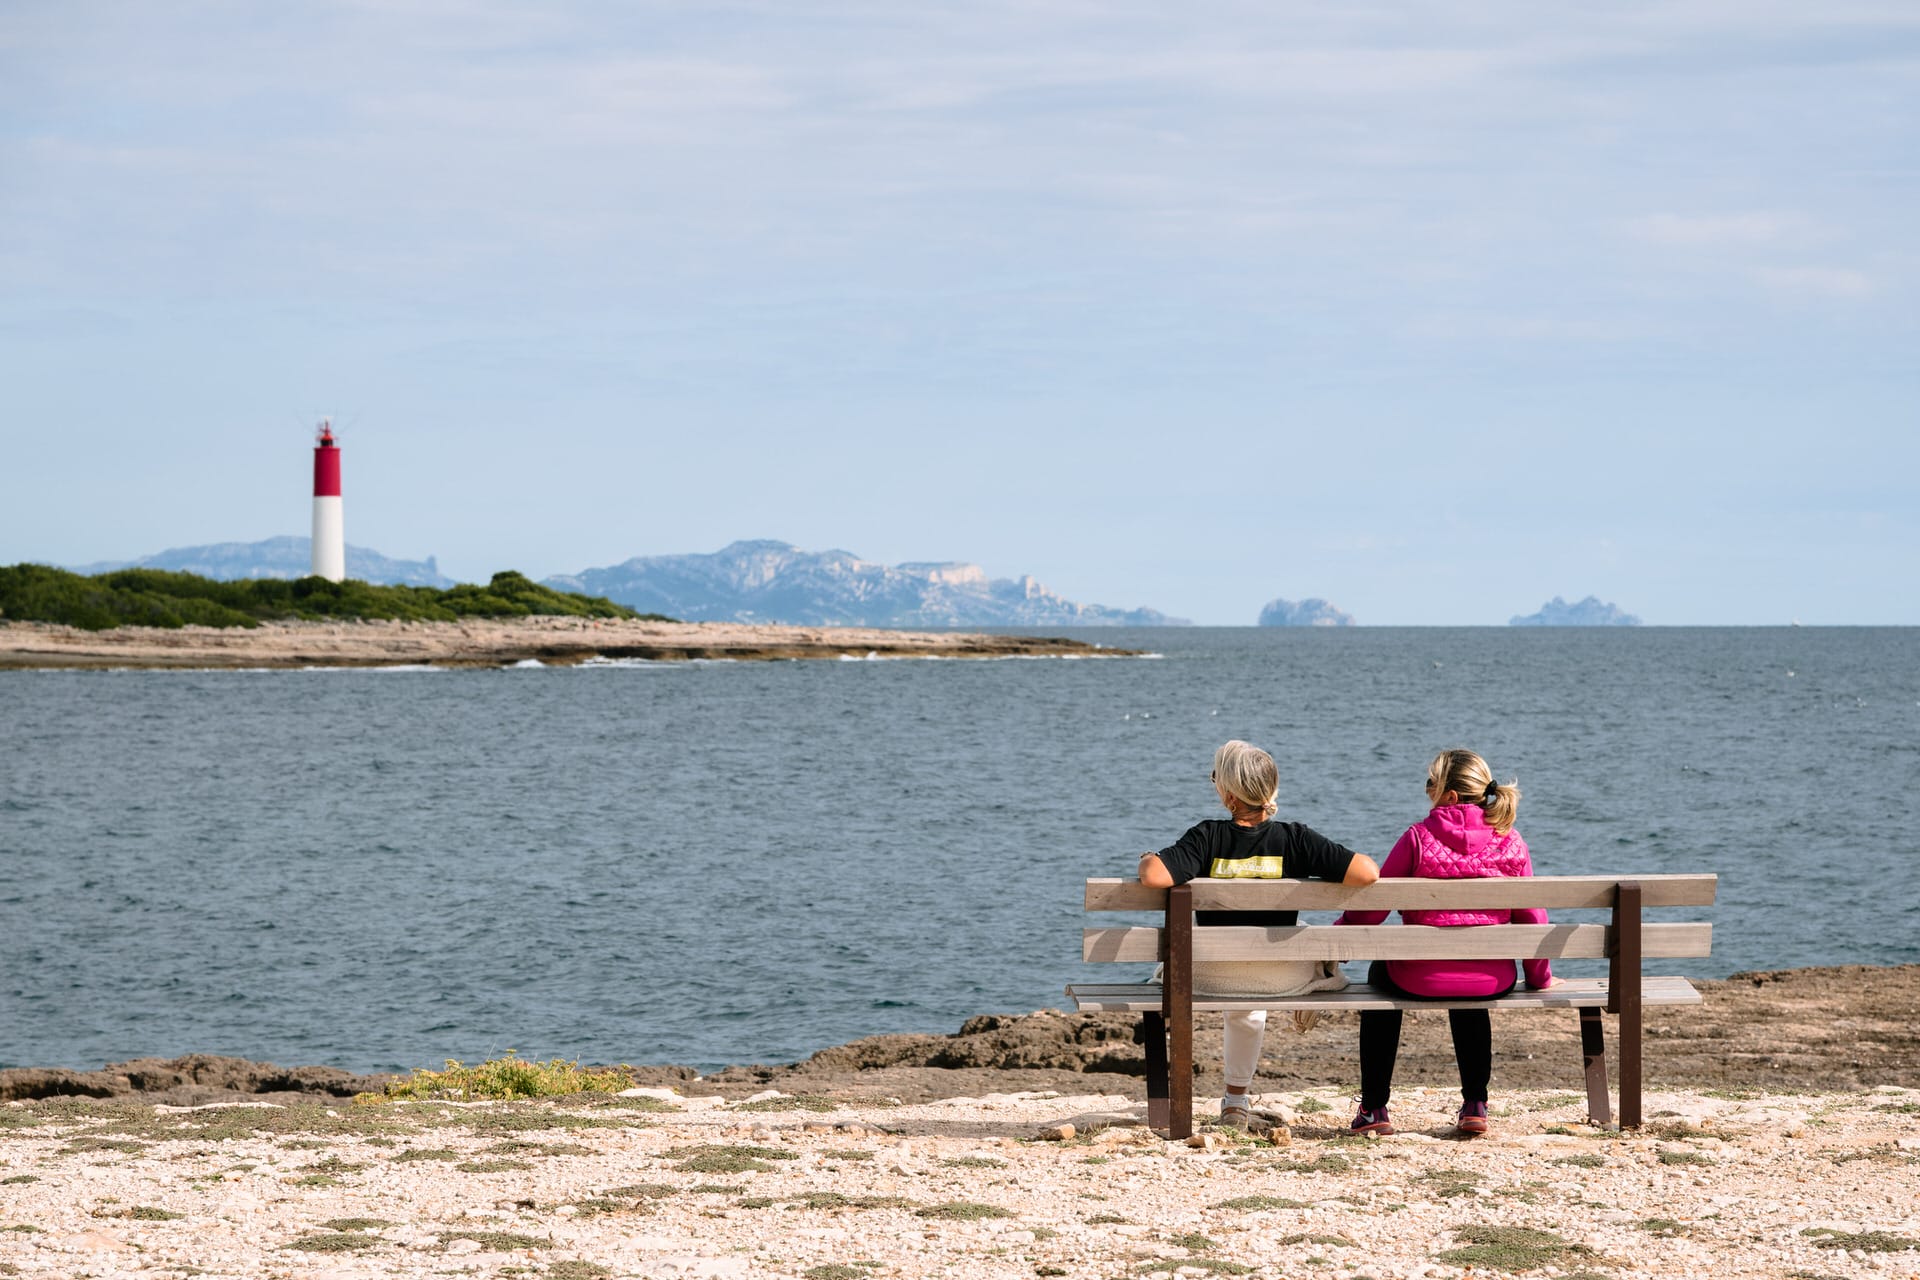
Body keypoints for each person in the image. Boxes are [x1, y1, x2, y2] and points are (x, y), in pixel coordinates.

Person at [1138, 740, 1380, 1128]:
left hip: (1210, 974)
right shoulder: (1296, 839)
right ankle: (1236, 1098)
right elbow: (1367, 872)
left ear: (1229, 796)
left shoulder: (1206, 838)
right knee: (1297, 940)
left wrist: (1148, 856)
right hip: (1279, 976)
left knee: (1192, 958)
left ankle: (1225, 1103)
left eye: (1215, 778)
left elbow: (1153, 875)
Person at [1337, 748, 1558, 1138]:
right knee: (1472, 975)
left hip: (1418, 978)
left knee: (1379, 979)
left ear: (1451, 796)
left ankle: (1373, 1108)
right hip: (1493, 978)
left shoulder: (1418, 838)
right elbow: (1533, 919)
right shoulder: (1511, 840)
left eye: (1431, 784)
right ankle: (1475, 1103)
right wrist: (1539, 978)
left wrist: (1335, 939)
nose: (1426, 790)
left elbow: (1374, 907)